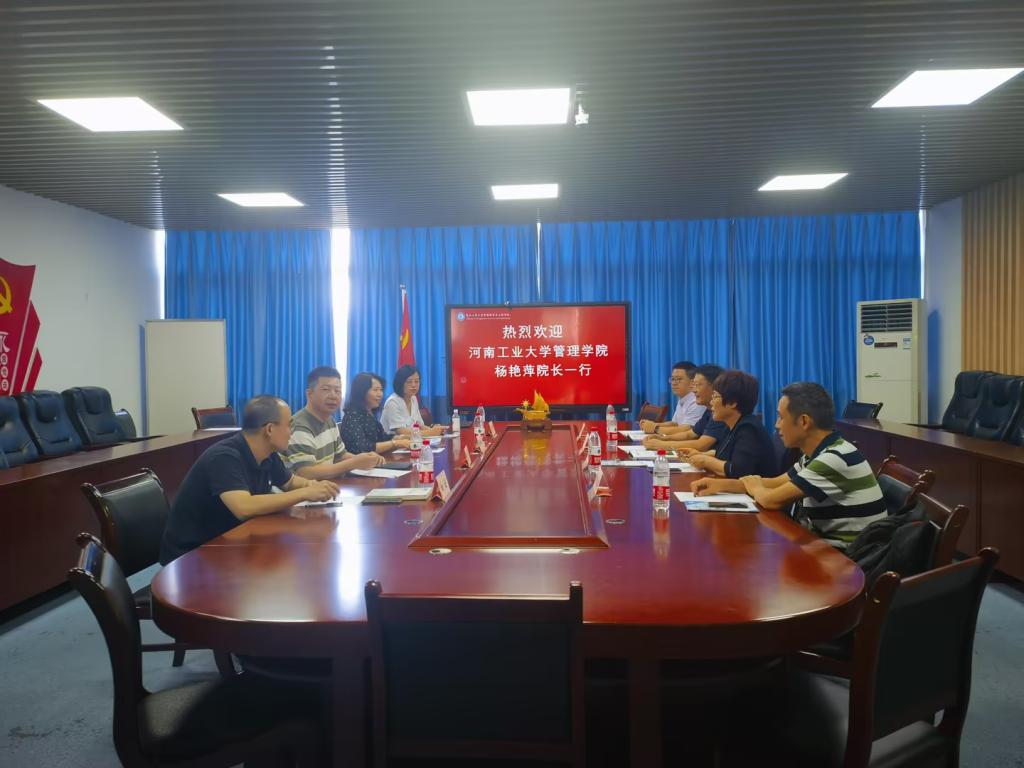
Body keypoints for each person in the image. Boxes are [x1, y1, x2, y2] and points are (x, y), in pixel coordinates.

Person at [691, 381, 887, 549]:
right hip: (822, 546)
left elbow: (771, 499)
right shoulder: (816, 454)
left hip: (846, 560)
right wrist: (721, 485)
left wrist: (755, 486)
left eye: (781, 417)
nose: (776, 425)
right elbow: (774, 483)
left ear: (804, 421)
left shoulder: (833, 459)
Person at [159, 395, 339, 564]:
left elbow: (290, 482)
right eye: (288, 425)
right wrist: (305, 492)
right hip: (192, 555)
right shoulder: (225, 457)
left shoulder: (268, 453)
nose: (291, 432)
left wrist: (313, 486)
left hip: (229, 542)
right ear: (269, 429)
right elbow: (244, 507)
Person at [283, 365, 392, 479]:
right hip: (307, 489)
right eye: (326, 390)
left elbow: (340, 455)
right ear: (309, 394)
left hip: (328, 485)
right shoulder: (299, 426)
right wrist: (354, 462)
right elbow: (306, 472)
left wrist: (365, 458)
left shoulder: (329, 420)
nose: (333, 396)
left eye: (337, 390)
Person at [683, 369, 775, 478]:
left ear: (732, 403)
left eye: (715, 397)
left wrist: (705, 460)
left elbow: (737, 470)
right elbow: (725, 453)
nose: (711, 402)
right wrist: (700, 454)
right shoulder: (733, 424)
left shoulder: (748, 429)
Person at [644, 364, 727, 452]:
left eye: (698, 385)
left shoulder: (721, 411)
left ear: (714, 387)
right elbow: (691, 434)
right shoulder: (709, 409)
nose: (694, 390)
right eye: (694, 385)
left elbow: (701, 445)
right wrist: (664, 439)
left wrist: (661, 444)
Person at [340, 372, 410, 454]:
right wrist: (395, 443)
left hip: (375, 459)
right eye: (375, 390)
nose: (380, 394)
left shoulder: (369, 412)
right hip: (360, 461)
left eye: (381, 390)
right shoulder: (352, 416)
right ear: (362, 392)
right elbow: (362, 448)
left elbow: (381, 437)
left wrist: (397, 438)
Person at [639, 360, 705, 434]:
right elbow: (675, 423)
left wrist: (655, 428)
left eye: (679, 379)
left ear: (692, 382)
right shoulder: (683, 398)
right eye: (673, 379)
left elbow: (687, 429)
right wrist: (653, 425)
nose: (674, 383)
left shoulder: (696, 401)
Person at [380, 364, 445, 437]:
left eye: (417, 381)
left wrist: (437, 430)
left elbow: (420, 426)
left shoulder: (413, 398)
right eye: (409, 381)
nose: (414, 385)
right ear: (400, 383)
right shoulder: (392, 402)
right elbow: (402, 432)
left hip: (411, 442)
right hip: (393, 443)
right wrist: (432, 432)